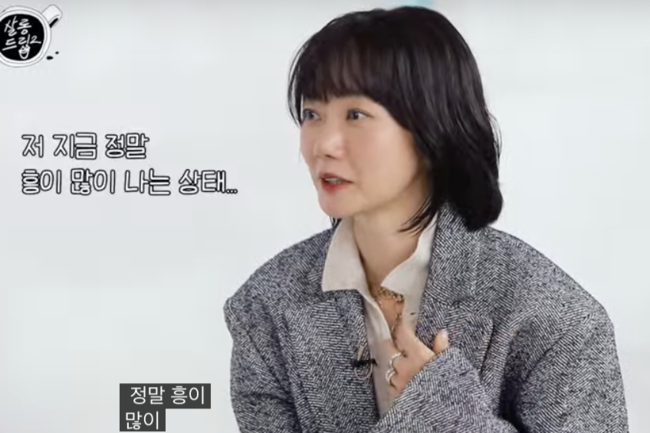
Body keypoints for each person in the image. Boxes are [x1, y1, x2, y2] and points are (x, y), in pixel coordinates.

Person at [223, 6, 629, 432]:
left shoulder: (556, 319)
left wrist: (444, 414)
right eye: (312, 114)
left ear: (431, 131)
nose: (323, 144)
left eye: (355, 115)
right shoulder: (264, 308)